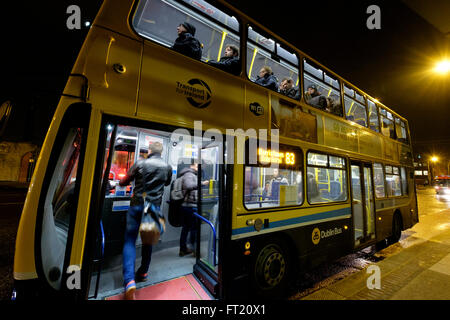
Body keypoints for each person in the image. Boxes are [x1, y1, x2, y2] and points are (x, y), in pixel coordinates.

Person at [118, 141, 172, 300]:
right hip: (153, 208)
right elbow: (167, 183)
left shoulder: (140, 163)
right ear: (161, 152)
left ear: (149, 151)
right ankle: (143, 272)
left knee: (129, 241)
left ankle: (129, 281)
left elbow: (123, 181)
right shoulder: (167, 167)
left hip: (136, 206)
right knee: (149, 239)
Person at [178, 161, 209, 256]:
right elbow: (188, 185)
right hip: (190, 206)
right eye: (197, 165)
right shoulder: (189, 174)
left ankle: (184, 249)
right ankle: (194, 250)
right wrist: (202, 183)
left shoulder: (191, 174)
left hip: (189, 205)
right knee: (193, 229)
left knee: (187, 228)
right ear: (193, 165)